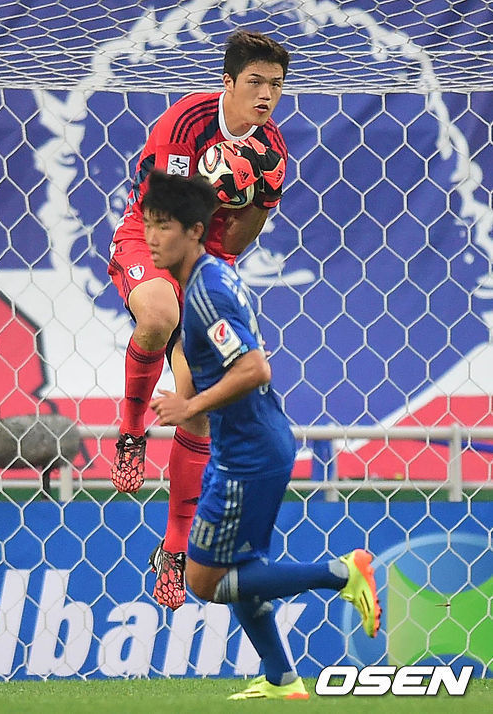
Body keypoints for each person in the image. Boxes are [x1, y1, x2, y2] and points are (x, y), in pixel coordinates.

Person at [145, 169, 381, 701]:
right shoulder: (209, 279)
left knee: (203, 581)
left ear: (195, 230)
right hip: (247, 444)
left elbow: (254, 368)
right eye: (149, 225)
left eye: (164, 226)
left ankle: (342, 573)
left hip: (248, 455)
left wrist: (189, 406)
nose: (152, 237)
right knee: (241, 568)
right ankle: (281, 678)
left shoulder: (206, 293)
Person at [108, 30, 290, 610]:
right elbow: (163, 215)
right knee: (159, 314)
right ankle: (131, 432)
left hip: (207, 264)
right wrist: (217, 186)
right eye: (255, 82)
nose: (266, 95)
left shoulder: (272, 149)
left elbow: (236, 242)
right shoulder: (187, 120)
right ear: (228, 83)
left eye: (276, 85)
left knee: (198, 403)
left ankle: (174, 550)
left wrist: (255, 193)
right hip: (152, 238)